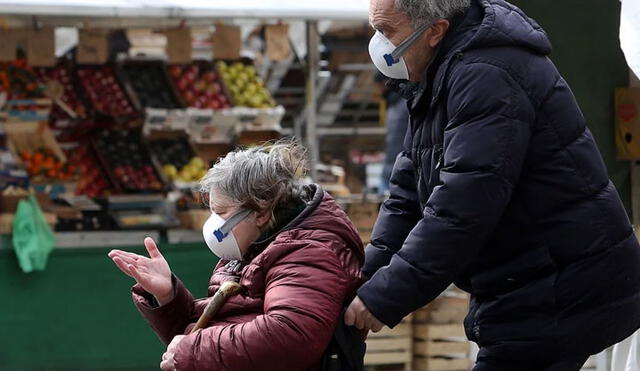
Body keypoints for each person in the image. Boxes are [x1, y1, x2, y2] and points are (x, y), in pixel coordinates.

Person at [345, 0, 640, 370]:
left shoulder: (486, 75)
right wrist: (362, 280)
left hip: (560, 287)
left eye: (386, 31)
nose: (378, 44)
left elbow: (461, 208)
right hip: (524, 285)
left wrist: (383, 297)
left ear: (436, 31)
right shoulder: (435, 74)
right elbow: (407, 196)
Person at [108, 141, 364, 371]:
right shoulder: (252, 246)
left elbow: (289, 336)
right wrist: (167, 296)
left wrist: (190, 350)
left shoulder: (309, 252)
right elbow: (213, 338)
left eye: (222, 212)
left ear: (261, 212)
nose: (213, 225)